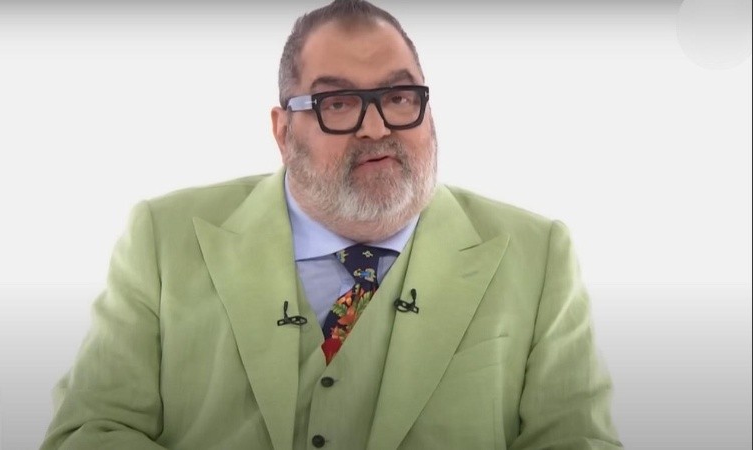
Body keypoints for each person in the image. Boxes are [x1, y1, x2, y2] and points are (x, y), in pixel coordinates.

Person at [41, 1, 622, 448]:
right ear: (282, 130)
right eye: (338, 103)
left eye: (399, 97)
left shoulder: (538, 255)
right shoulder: (163, 239)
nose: (377, 127)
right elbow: (90, 431)